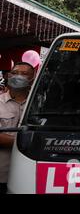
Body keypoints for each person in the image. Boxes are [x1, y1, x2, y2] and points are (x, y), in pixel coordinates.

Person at [0, 62, 35, 194]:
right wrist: (28, 143)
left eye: (24, 74)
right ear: (8, 76)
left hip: (29, 174)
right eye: (14, 73)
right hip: (2, 174)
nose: (18, 76)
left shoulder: (38, 106)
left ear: (32, 79)